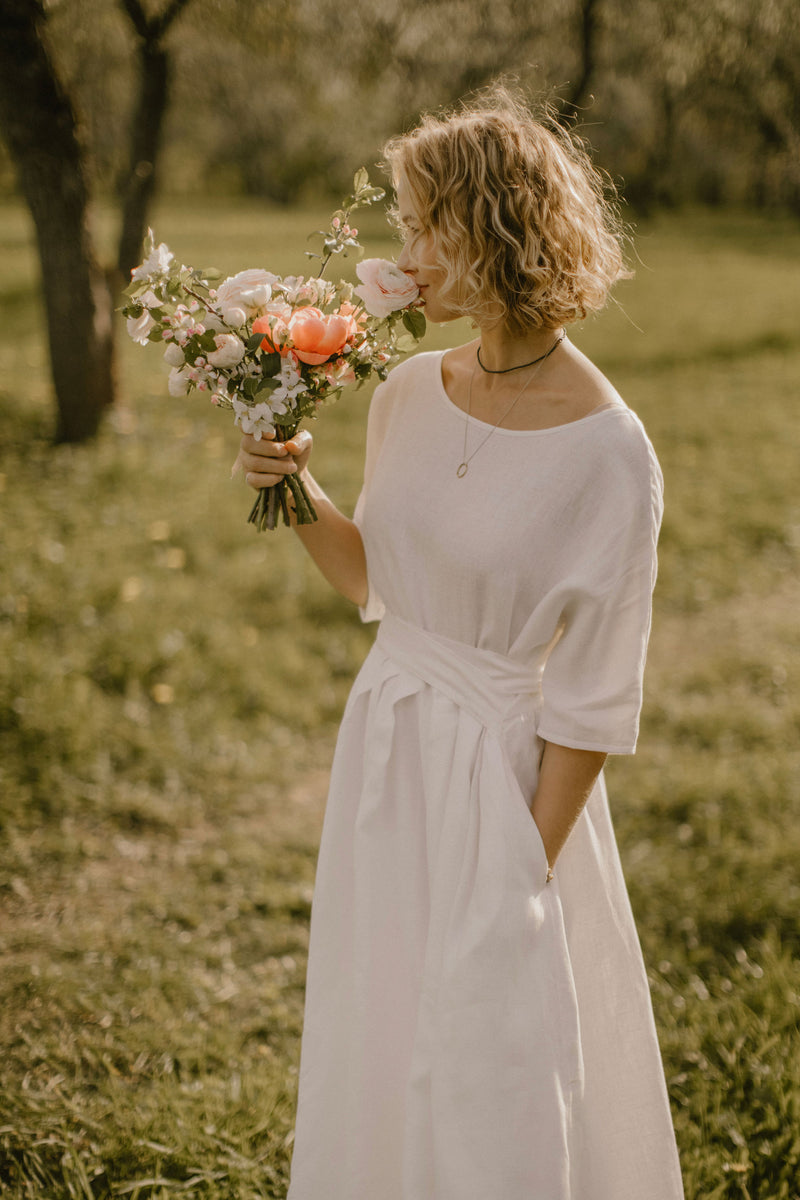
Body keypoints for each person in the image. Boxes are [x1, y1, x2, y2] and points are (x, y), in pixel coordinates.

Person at [236, 87, 685, 1200]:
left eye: (420, 227)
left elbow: (588, 703)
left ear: (493, 231)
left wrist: (519, 869)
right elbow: (373, 581)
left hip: (502, 788)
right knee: (378, 1018)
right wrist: (291, 485)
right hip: (385, 750)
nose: (403, 257)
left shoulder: (610, 457)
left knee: (489, 1062)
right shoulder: (404, 392)